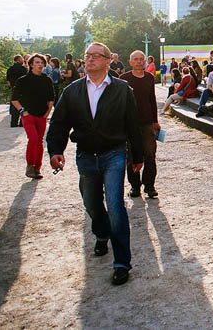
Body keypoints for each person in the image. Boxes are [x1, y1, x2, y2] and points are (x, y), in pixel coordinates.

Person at [46, 42, 143, 286]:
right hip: (86, 155)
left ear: (108, 61)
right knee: (91, 203)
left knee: (115, 205)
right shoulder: (72, 90)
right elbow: (58, 123)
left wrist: (138, 156)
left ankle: (122, 262)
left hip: (114, 154)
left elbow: (133, 124)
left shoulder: (122, 89)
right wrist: (55, 150)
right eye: (87, 55)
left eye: (95, 56)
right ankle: (101, 234)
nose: (89, 59)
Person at [120, 50, 161, 199]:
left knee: (150, 154)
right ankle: (135, 186)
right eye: (135, 59)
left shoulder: (149, 78)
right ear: (130, 62)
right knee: (131, 156)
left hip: (147, 122)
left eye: (141, 59)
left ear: (145, 62)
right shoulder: (123, 79)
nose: (138, 61)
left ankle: (149, 185)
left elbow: (152, 99)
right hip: (130, 124)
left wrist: (155, 120)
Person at [11, 53, 55, 179]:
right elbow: (14, 99)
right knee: (34, 139)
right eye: (37, 62)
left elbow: (51, 98)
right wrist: (22, 111)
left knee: (40, 142)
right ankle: (30, 166)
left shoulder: (46, 80)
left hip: (41, 115)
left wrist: (47, 113)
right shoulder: (23, 80)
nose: (40, 65)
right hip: (28, 115)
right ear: (31, 64)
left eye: (41, 63)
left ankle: (37, 168)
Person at [6, 55, 27, 127]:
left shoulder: (10, 69)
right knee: (23, 105)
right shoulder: (23, 69)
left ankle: (13, 123)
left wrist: (11, 87)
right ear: (18, 60)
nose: (23, 61)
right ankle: (22, 123)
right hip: (22, 89)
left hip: (14, 88)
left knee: (15, 106)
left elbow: (8, 80)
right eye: (21, 59)